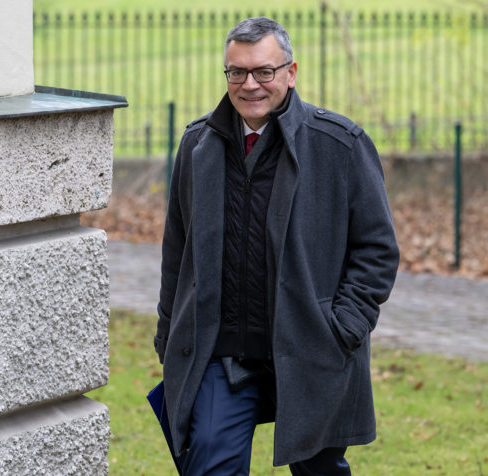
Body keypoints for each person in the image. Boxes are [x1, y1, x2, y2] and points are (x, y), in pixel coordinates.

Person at [154, 16, 399, 476]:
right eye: (237, 72)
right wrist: (170, 336)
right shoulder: (196, 147)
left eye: (264, 71)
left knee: (320, 470)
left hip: (312, 346)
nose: (250, 84)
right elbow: (176, 251)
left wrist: (343, 326)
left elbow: (377, 249)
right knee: (207, 461)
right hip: (219, 352)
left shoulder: (340, 145)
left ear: (290, 72)